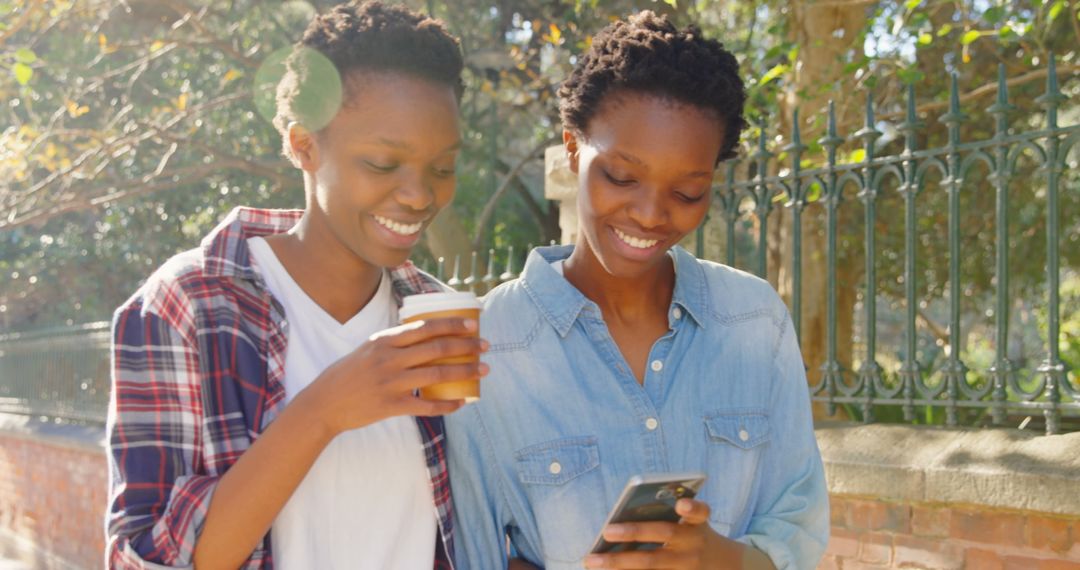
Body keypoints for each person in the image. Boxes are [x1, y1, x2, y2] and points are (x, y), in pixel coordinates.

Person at [105, 2, 486, 568]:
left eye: (443, 167)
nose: (420, 196)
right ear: (304, 146)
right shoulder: (187, 307)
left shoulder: (433, 313)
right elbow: (140, 560)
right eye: (384, 164)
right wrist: (321, 412)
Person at [447, 10, 829, 570]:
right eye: (622, 177)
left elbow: (797, 525)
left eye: (688, 192)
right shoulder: (485, 347)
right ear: (573, 148)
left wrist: (719, 559)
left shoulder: (755, 320)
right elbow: (468, 550)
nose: (651, 215)